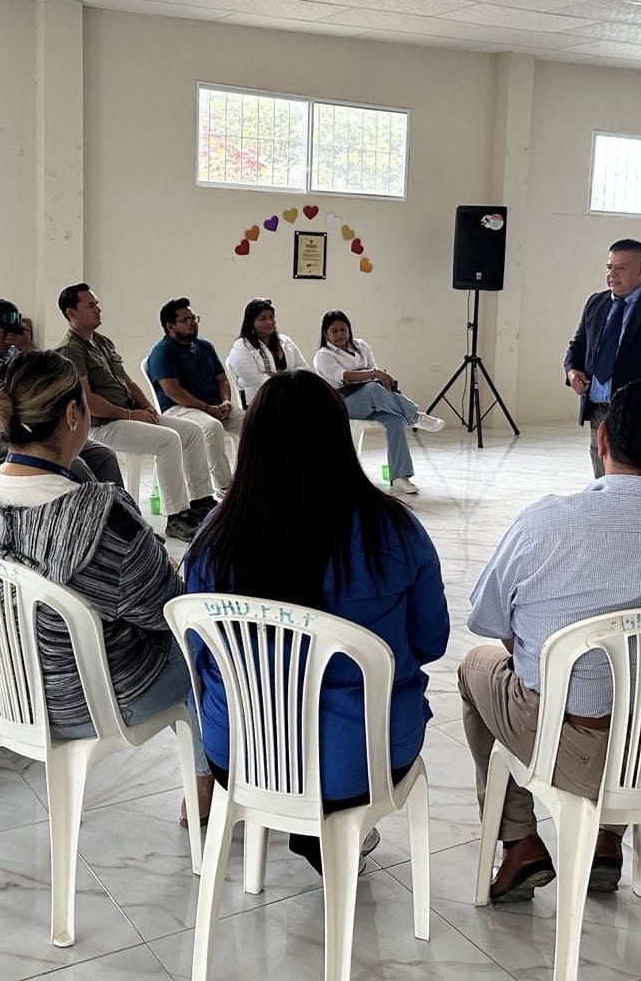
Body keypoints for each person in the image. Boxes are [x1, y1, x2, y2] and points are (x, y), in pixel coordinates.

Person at [460, 378, 641, 902]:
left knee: (475, 667)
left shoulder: (544, 524)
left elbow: (492, 624)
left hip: (578, 752)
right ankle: (605, 839)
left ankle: (519, 840)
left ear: (602, 441)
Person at [182, 370, 449, 875]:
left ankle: (303, 822)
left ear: (252, 442)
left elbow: (197, 653)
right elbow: (431, 641)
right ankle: (329, 828)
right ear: (339, 436)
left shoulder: (214, 539)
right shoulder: (395, 529)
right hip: (364, 760)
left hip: (239, 753)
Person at [0, 350, 213, 816]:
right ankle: (209, 784)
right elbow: (167, 612)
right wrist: (165, 568)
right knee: (206, 644)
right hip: (91, 700)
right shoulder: (104, 522)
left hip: (8, 691)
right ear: (73, 414)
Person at [56, 284, 220, 540]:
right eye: (90, 305)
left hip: (129, 414)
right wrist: (130, 415)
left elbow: (129, 382)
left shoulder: (102, 341)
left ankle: (201, 503)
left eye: (97, 304)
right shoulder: (70, 349)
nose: (98, 309)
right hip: (103, 425)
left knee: (192, 431)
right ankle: (176, 517)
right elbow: (87, 401)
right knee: (168, 440)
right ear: (71, 313)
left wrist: (145, 406)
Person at [0, 296, 125, 488]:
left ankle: (117, 504)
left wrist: (29, 349)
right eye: (4, 332)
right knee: (76, 465)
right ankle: (93, 503)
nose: (9, 339)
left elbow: (53, 380)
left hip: (40, 427)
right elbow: (7, 398)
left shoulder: (14, 352)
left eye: (14, 332)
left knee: (103, 456)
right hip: (1, 435)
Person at [564, 238, 641, 478]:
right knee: (603, 479)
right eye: (609, 267)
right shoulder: (596, 303)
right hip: (599, 410)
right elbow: (578, 346)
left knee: (636, 478)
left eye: (620, 268)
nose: (612, 274)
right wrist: (572, 371)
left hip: (640, 415)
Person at [312, 309, 442, 496]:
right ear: (326, 334)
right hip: (343, 403)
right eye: (335, 331)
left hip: (370, 399)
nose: (340, 334)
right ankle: (414, 416)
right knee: (373, 389)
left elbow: (374, 373)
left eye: (343, 329)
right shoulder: (323, 355)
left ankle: (399, 477)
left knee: (395, 420)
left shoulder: (361, 346)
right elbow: (345, 376)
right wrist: (373, 374)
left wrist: (377, 377)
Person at [146, 297, 244, 490]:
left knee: (253, 423)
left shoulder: (205, 346)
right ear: (171, 326)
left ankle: (254, 478)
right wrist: (207, 408)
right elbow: (172, 391)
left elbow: (222, 380)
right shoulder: (162, 352)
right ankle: (225, 487)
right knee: (212, 427)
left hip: (215, 406)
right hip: (180, 409)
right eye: (186, 320)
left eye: (194, 318)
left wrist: (225, 402)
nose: (193, 323)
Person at [224, 297, 309, 406]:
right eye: (263, 319)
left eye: (271, 317)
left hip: (289, 397)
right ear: (251, 322)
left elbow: (303, 369)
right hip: (259, 402)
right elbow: (255, 379)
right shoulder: (242, 346)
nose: (269, 322)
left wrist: (280, 378)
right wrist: (286, 378)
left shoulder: (285, 340)